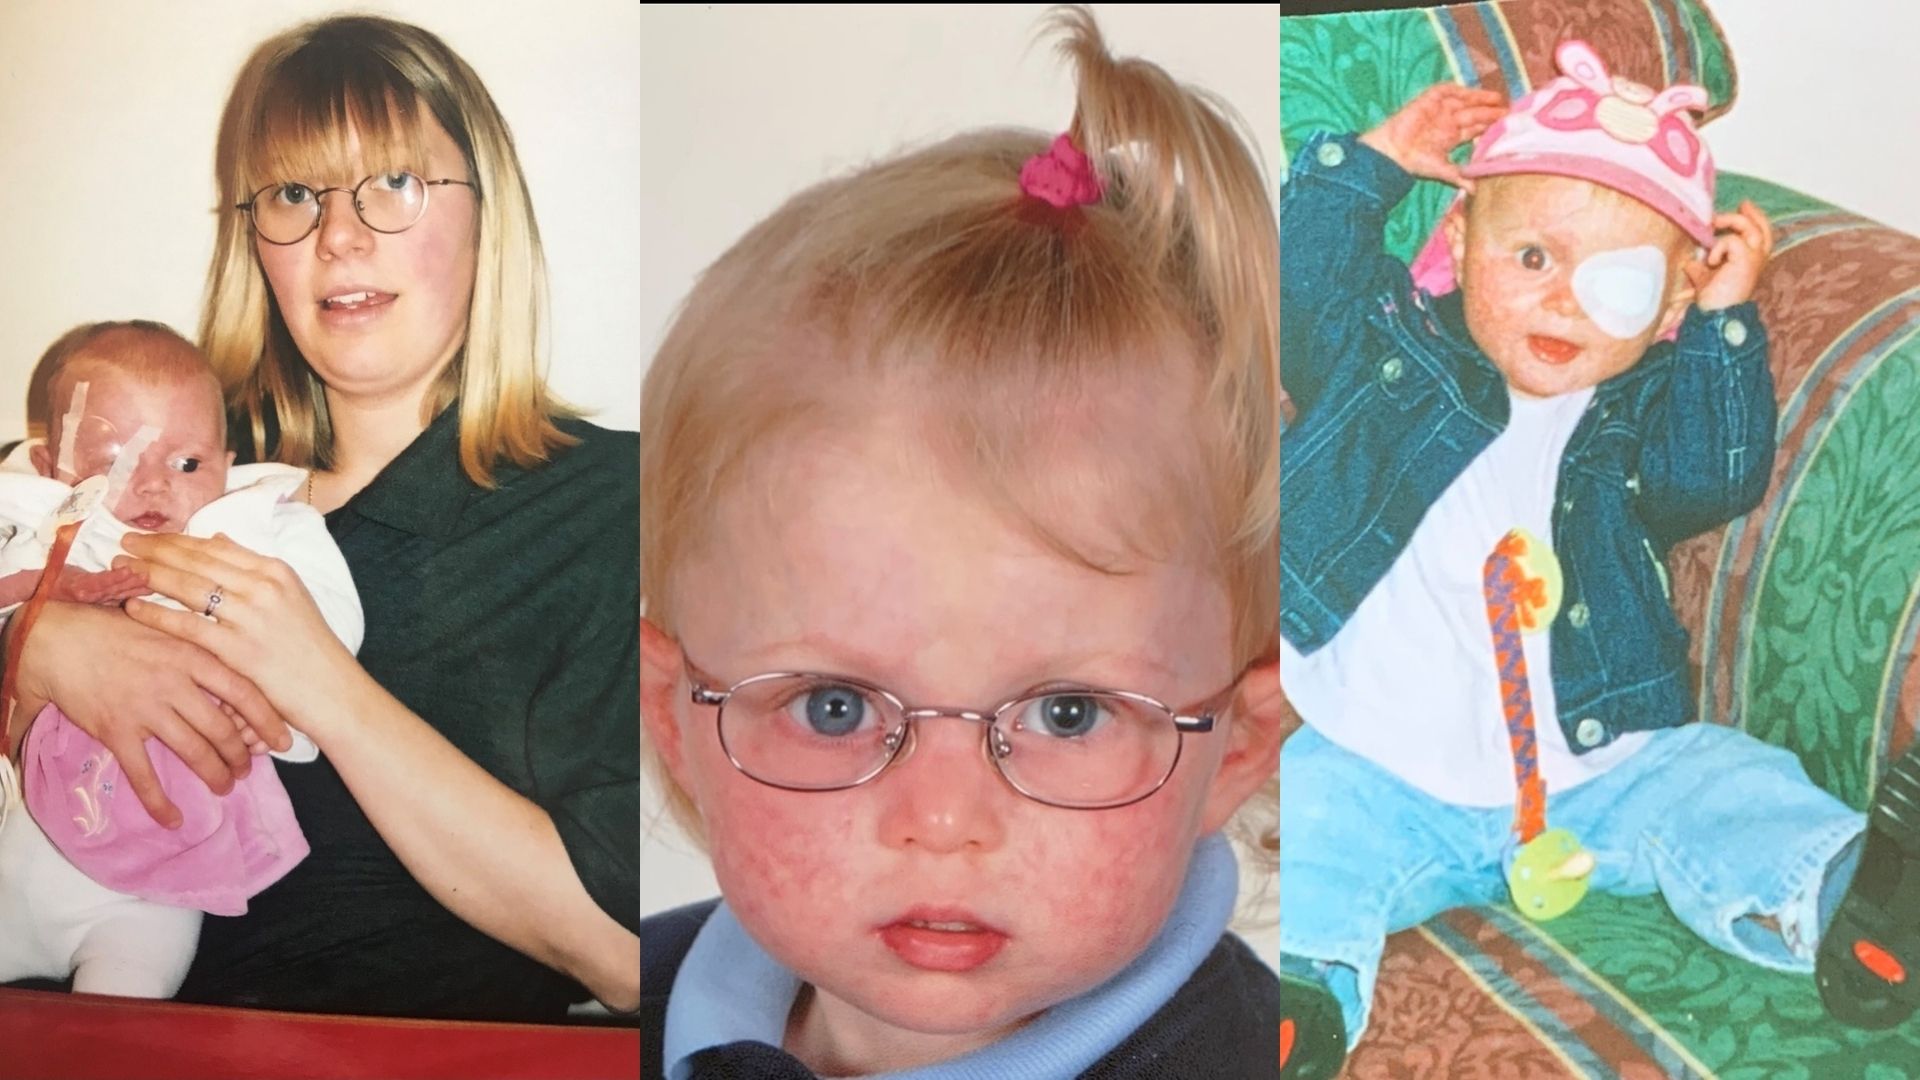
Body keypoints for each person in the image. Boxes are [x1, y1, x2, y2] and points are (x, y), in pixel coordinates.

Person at [639, 7, 1282, 1076]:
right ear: (675, 719)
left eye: (1067, 714)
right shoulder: (635, 1005)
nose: (942, 823)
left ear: (1239, 746)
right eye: (831, 707)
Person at [5, 15, 639, 1021]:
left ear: (487, 212)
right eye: (296, 194)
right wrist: (37, 644)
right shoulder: (171, 459)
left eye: (392, 182)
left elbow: (623, 956)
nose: (338, 236)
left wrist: (323, 687)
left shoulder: (608, 505)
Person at [1277, 40, 1879, 1073]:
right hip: (1378, 766)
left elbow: (1717, 476)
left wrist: (1726, 325)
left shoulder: (1629, 416)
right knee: (1305, 825)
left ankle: (1848, 896)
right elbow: (1309, 288)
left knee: (1725, 780)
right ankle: (1301, 1005)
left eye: (1617, 283)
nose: (1563, 302)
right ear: (1461, 239)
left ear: (1664, 309)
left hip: (1595, 773)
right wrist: (1370, 162)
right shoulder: (1390, 352)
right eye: (1532, 260)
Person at [0, 320, 359, 998]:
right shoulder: (33, 523)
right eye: (113, 463)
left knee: (125, 1013)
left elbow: (327, 629)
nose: (153, 488)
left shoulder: (249, 532)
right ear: (51, 469)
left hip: (154, 885)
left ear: (225, 468)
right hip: (19, 845)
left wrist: (276, 703)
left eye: (186, 464)